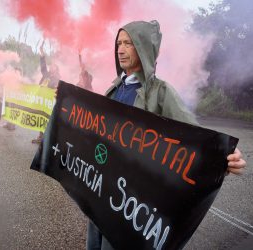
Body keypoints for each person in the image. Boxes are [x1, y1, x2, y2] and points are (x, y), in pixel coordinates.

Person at [86, 20, 246, 250]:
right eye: (118, 43)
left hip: (129, 200)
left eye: (129, 43)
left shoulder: (160, 93)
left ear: (144, 48)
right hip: (101, 190)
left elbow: (197, 137)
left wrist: (225, 156)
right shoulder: (114, 88)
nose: (120, 49)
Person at [32, 41, 60, 144]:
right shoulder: (46, 75)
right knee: (41, 118)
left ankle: (47, 139)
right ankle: (40, 137)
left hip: (49, 103)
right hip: (42, 101)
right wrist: (42, 53)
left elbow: (56, 89)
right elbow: (43, 67)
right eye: (51, 66)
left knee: (47, 120)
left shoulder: (57, 78)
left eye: (53, 66)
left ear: (56, 69)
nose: (51, 67)